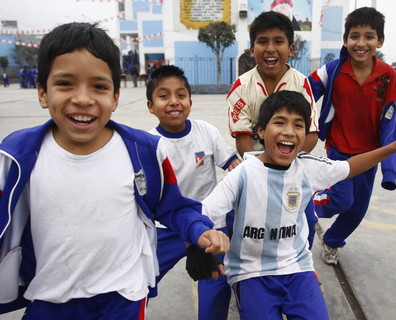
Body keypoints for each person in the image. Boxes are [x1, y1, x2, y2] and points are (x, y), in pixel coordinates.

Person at [0, 22, 229, 319]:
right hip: (48, 298)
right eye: (65, 83)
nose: (83, 98)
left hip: (123, 298)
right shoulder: (18, 157)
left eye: (99, 86)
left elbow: (173, 208)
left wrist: (200, 231)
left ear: (116, 96)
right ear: (43, 92)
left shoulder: (144, 152)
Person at [202, 90, 396, 319]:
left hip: (296, 268)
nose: (289, 131)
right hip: (250, 272)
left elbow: (350, 166)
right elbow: (204, 214)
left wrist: (394, 147)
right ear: (261, 131)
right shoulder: (242, 174)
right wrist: (199, 244)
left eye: (298, 125)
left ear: (306, 134)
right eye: (279, 122)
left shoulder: (308, 167)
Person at [146, 64, 240, 320]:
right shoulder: (148, 145)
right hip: (167, 225)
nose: (174, 102)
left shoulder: (206, 131)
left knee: (216, 280)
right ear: (150, 105)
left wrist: (243, 173)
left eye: (181, 95)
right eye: (164, 96)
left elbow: (232, 164)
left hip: (209, 222)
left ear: (190, 100)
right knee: (138, 280)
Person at [308, 7, 396, 265]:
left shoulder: (387, 75)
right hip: (338, 150)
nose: (361, 43)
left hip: (369, 155)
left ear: (379, 41)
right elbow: (303, 92)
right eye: (354, 36)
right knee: (341, 199)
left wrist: (389, 169)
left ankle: (332, 240)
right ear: (345, 40)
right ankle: (305, 202)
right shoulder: (334, 70)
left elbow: (390, 121)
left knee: (358, 208)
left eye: (369, 37)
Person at [227, 10, 318, 159]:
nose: (270, 49)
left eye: (278, 41)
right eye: (262, 42)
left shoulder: (301, 83)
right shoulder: (242, 86)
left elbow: (311, 134)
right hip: (256, 166)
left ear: (291, 49)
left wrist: (290, 166)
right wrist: (259, 169)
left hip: (292, 165)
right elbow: (242, 138)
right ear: (252, 50)